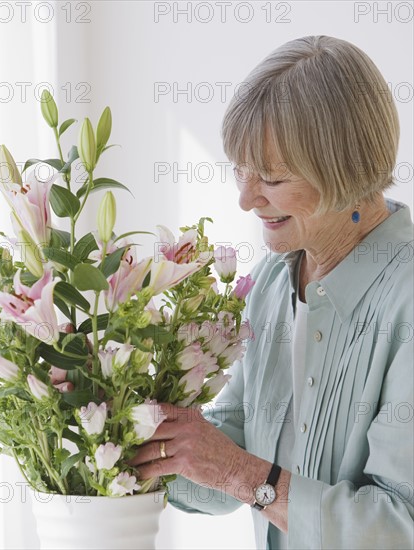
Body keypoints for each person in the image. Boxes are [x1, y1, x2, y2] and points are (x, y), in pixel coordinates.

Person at [130, 35, 414, 548]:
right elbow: (235, 443)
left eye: (274, 178)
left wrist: (243, 475)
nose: (244, 198)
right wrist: (120, 429)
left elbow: (399, 528)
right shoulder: (271, 282)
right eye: (241, 168)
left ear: (348, 171)